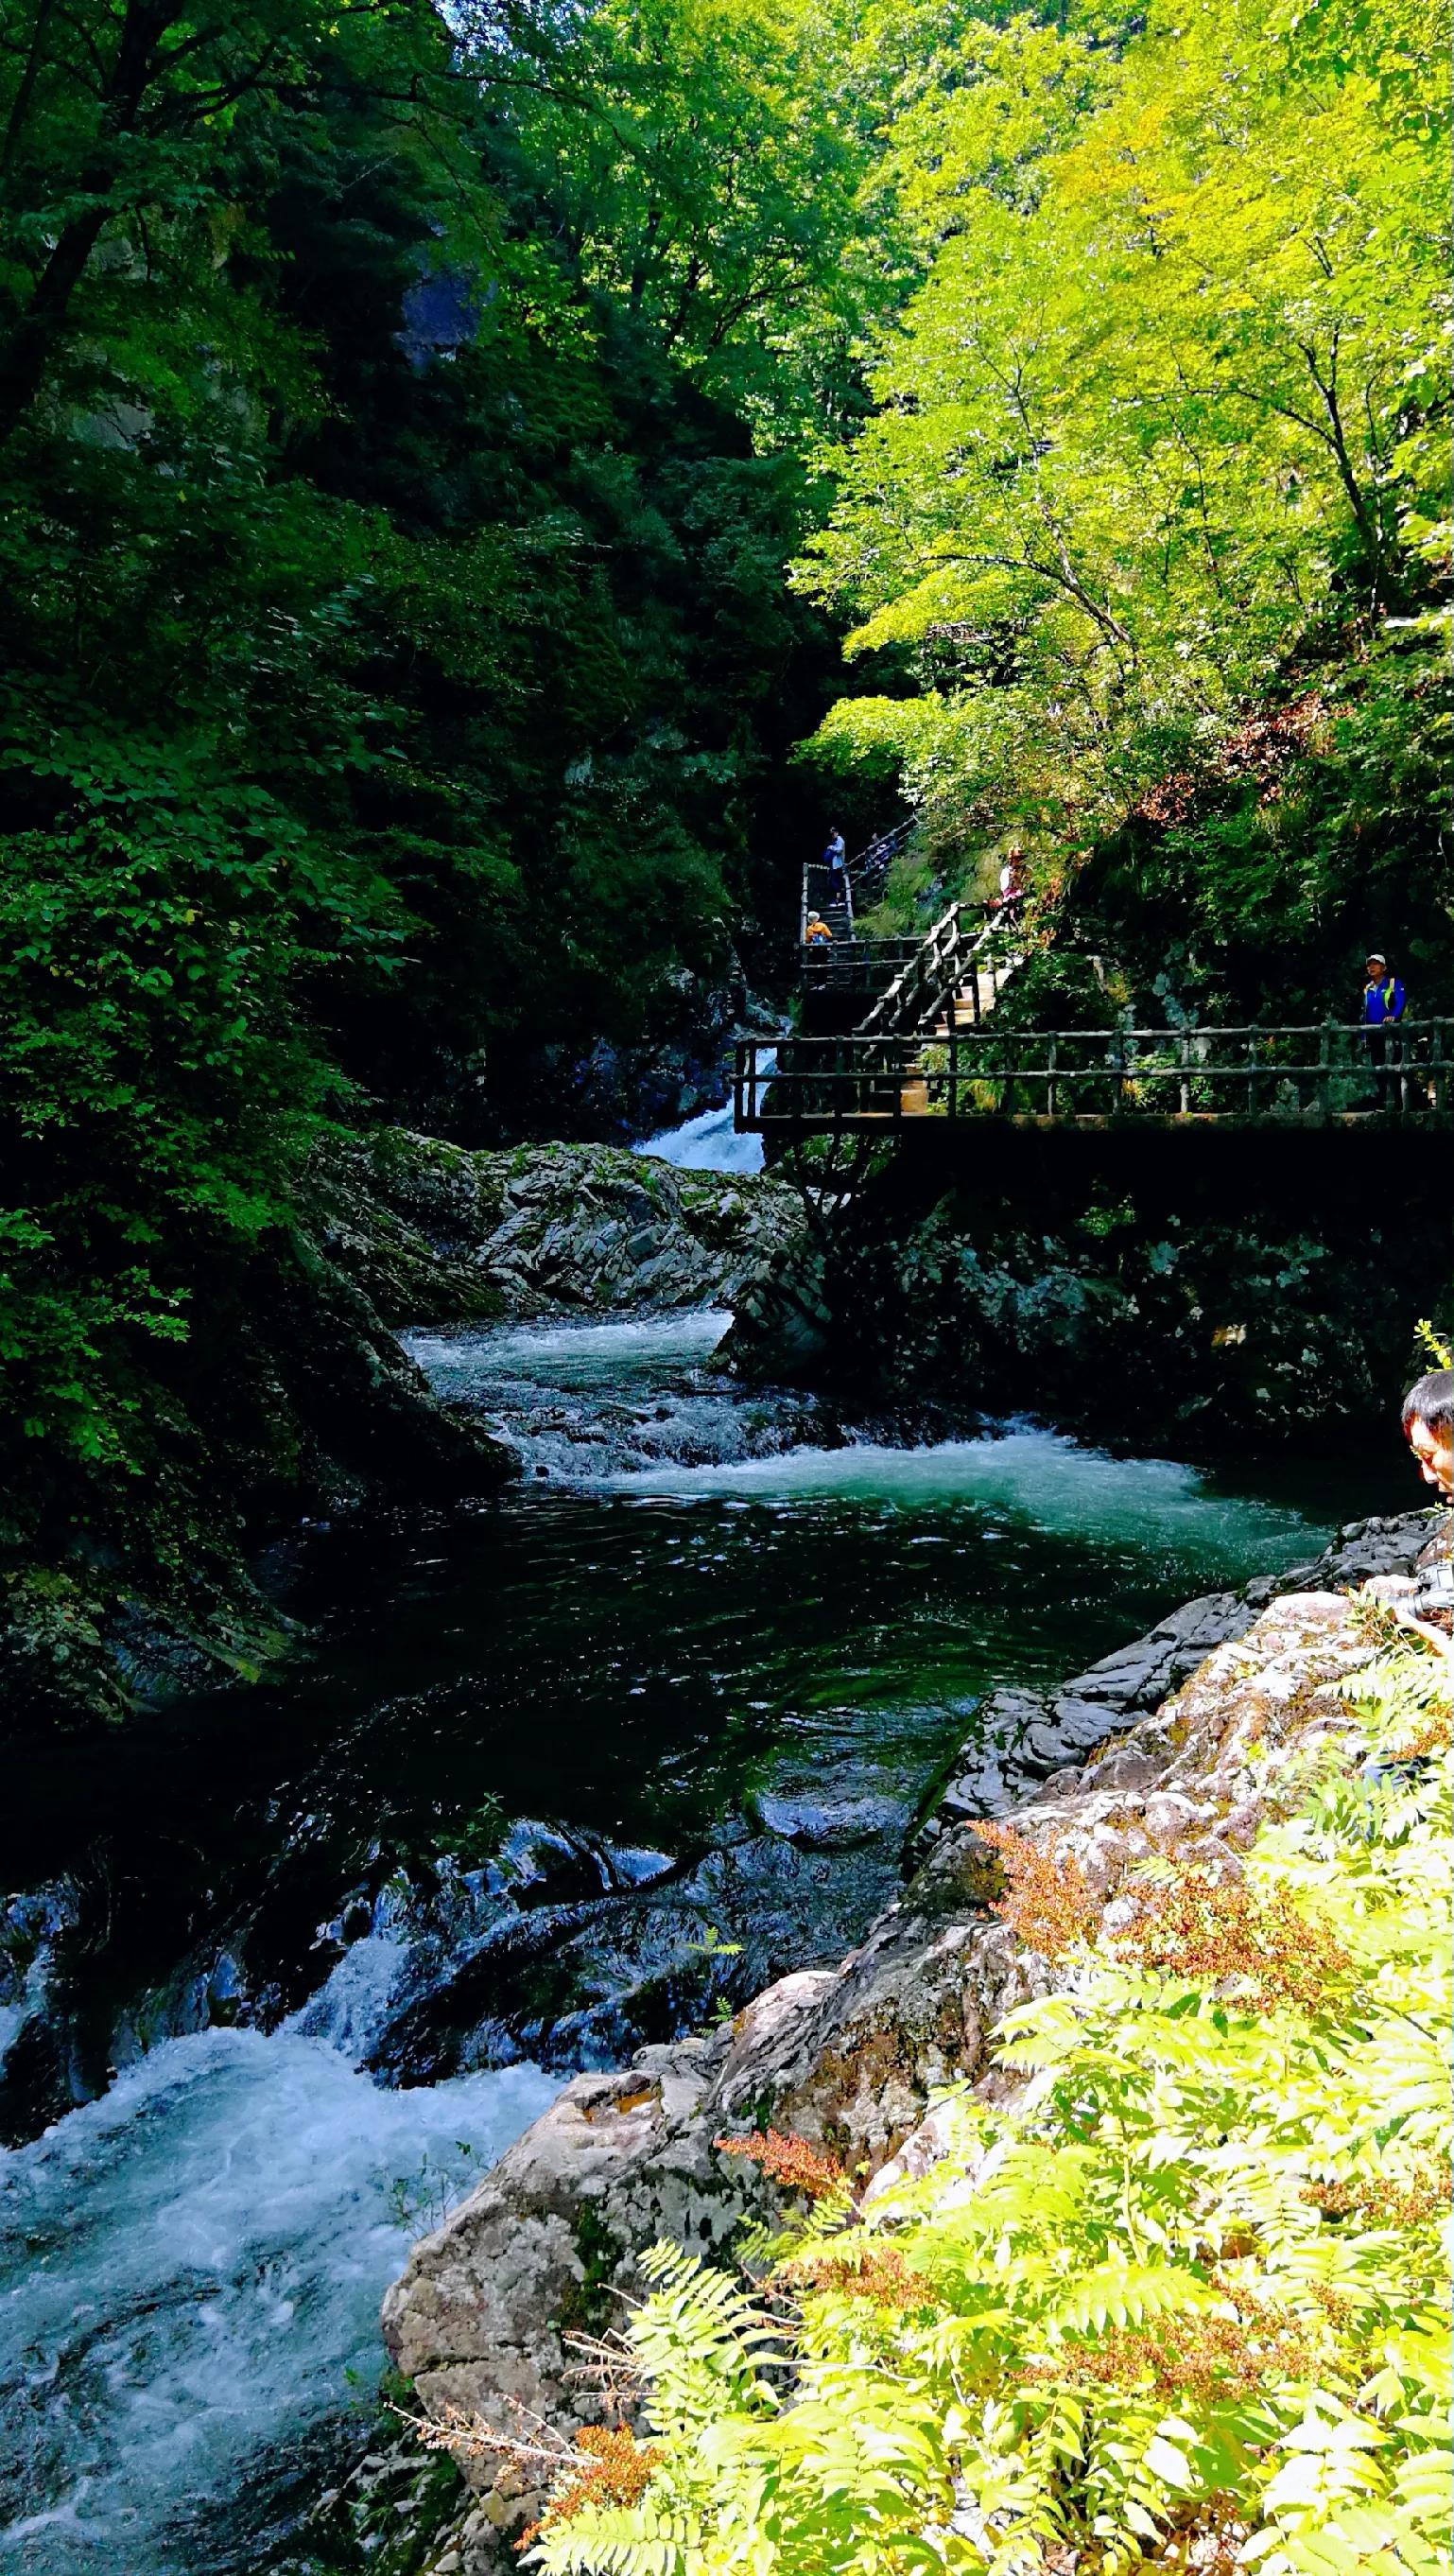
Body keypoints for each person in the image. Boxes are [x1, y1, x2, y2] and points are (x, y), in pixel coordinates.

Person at [1361, 951, 1406, 1106]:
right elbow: (1365, 1013)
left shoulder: (1393, 983)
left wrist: (1393, 1016)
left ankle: (1398, 1104)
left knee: (1394, 1068)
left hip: (1390, 1033)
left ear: (1384, 967)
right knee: (1378, 1068)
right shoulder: (1367, 988)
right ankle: (1382, 1103)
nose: (1371, 967)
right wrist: (1363, 1036)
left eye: (1375, 964)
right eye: (1369, 965)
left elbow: (1400, 1003)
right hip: (1373, 1034)